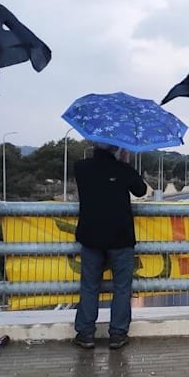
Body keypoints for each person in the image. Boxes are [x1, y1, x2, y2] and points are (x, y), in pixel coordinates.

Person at [73, 143, 147, 349]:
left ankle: (85, 333)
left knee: (89, 287)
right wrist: (125, 164)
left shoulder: (81, 168)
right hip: (120, 238)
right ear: (116, 149)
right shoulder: (123, 171)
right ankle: (118, 334)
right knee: (122, 288)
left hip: (91, 237)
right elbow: (140, 190)